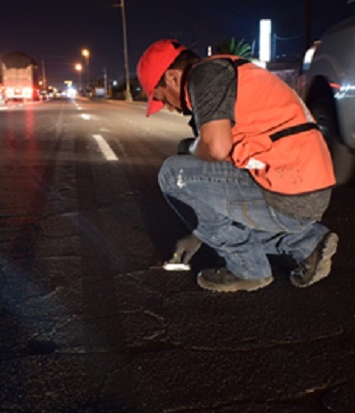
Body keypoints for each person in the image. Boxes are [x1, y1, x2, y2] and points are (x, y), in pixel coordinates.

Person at [137, 39, 339, 293]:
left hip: (287, 194)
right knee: (200, 166)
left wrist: (192, 149)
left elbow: (216, 148)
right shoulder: (229, 72)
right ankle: (308, 244)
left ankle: (248, 269)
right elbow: (218, 188)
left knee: (173, 173)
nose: (167, 107)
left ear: (173, 77)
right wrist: (199, 234)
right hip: (309, 191)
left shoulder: (204, 75)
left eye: (162, 98)